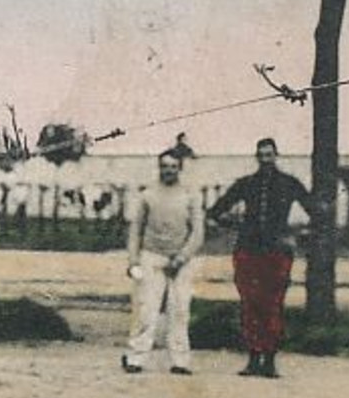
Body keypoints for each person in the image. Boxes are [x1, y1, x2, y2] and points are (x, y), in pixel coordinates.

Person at [208, 137, 323, 379]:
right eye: (261, 155)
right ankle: (253, 357)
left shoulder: (289, 184)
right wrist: (235, 224)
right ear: (256, 157)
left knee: (273, 304)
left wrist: (297, 235)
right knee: (250, 304)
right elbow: (216, 210)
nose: (265, 160)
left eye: (269, 155)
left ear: (276, 156)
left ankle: (269, 359)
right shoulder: (246, 184)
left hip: (277, 252)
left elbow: (315, 213)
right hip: (248, 251)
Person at [122, 151, 204, 376]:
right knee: (146, 309)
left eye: (173, 166)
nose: (169, 170)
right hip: (152, 257)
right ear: (159, 167)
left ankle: (180, 360)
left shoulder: (191, 195)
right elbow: (135, 231)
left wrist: (180, 259)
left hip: (181, 261)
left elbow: (197, 233)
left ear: (180, 168)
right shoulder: (148, 195)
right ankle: (135, 357)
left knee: (179, 310)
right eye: (164, 166)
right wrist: (133, 261)